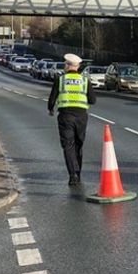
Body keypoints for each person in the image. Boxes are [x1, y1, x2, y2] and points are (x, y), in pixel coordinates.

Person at [47, 53, 97, 186]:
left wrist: (51, 109)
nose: (64, 66)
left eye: (65, 64)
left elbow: (52, 98)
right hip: (81, 117)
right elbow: (93, 100)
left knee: (68, 146)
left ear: (69, 66)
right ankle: (78, 172)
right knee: (78, 145)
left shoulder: (60, 79)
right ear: (78, 66)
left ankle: (73, 175)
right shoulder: (85, 81)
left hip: (65, 116)